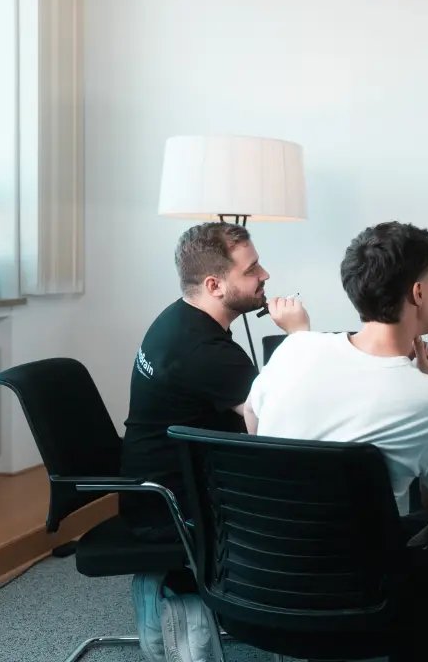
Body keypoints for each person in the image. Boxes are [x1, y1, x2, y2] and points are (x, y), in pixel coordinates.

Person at [244, 221, 428, 662]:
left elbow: (254, 423)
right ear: (418, 293)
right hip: (360, 599)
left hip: (258, 583)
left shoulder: (296, 348)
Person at [120, 222, 310, 662]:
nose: (264, 275)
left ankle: (169, 584)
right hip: (174, 507)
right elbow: (273, 432)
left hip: (152, 487)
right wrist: (300, 339)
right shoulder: (208, 352)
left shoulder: (178, 319)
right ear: (214, 285)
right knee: (315, 490)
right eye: (252, 269)